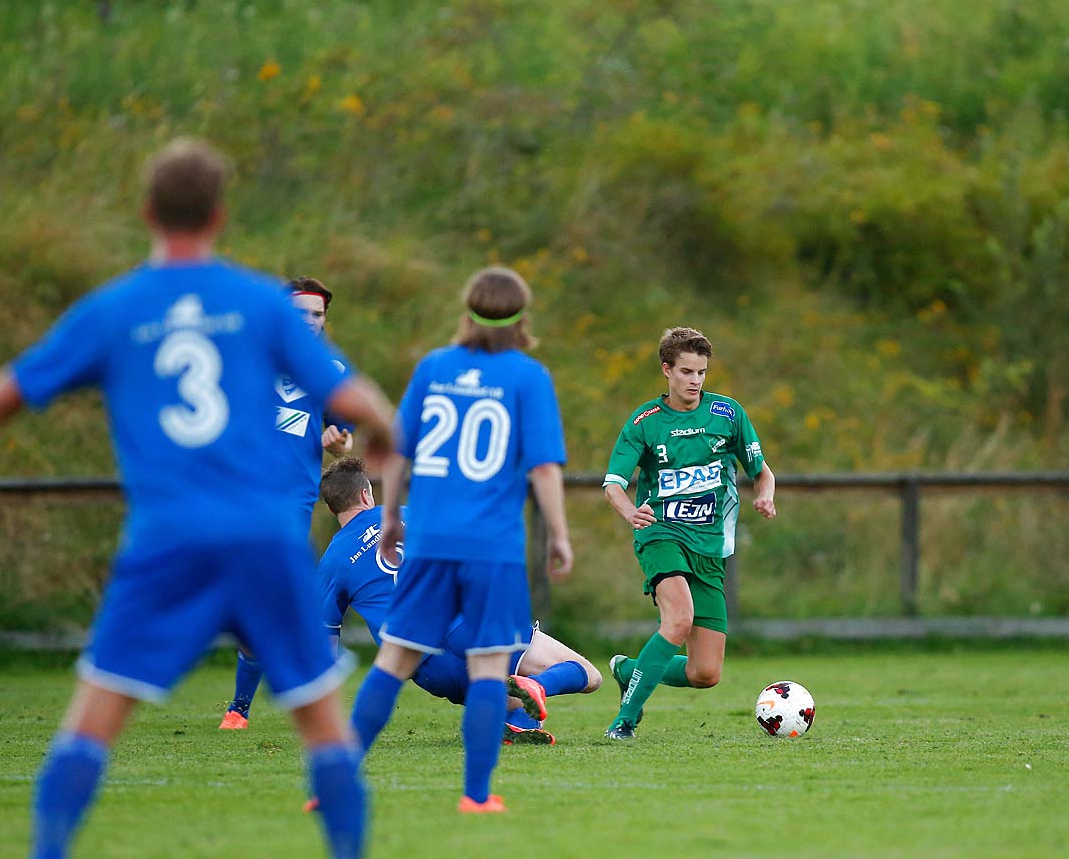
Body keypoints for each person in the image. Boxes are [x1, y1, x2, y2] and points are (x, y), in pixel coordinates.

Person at [0, 138, 404, 859]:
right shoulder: (259, 306)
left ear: (147, 212)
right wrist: (382, 438)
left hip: (167, 537)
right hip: (262, 534)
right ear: (219, 215)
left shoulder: (117, 307)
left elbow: (12, 387)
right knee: (319, 716)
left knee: (96, 711)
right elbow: (363, 401)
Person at [346, 267, 573, 814]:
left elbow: (399, 451)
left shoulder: (434, 367)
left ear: (466, 313)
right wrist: (559, 535)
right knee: (491, 667)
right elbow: (543, 469)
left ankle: (333, 780)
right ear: (524, 319)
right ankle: (475, 796)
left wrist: (393, 513)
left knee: (394, 660)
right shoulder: (528, 376)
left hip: (428, 539)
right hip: (491, 547)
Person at [314, 456, 602, 750]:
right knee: (590, 676)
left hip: (425, 665)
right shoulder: (407, 514)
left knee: (507, 699)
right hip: (468, 625)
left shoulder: (332, 562)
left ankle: (511, 723)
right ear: (366, 494)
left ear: (331, 506)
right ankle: (539, 686)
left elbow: (325, 643)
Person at [601, 327, 776, 739]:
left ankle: (630, 670)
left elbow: (761, 472)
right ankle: (624, 721)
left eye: (702, 372)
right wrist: (630, 513)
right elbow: (613, 484)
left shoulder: (728, 414)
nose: (695, 380)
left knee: (705, 674)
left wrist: (765, 496)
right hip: (661, 534)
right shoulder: (645, 422)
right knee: (678, 621)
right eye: (686, 371)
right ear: (667, 371)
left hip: (710, 546)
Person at [219, 275, 354, 730]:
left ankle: (242, 707)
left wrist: (338, 441)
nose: (311, 322)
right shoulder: (247, 359)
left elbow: (342, 437)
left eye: (318, 315)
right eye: (301, 314)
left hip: (290, 497)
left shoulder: (331, 369)